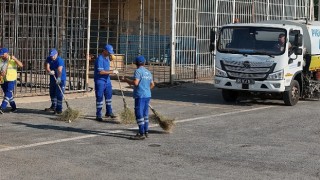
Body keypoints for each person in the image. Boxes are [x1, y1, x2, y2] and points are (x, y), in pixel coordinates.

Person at [123, 55, 155, 140]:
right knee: (145, 114)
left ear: (136, 63)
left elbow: (136, 83)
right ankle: (146, 131)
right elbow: (152, 84)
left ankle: (141, 133)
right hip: (147, 95)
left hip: (140, 96)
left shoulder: (138, 71)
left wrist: (127, 80)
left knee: (139, 113)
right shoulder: (148, 72)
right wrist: (146, 90)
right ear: (144, 63)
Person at [94, 44, 119, 121]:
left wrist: (112, 58)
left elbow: (110, 59)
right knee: (99, 97)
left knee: (109, 96)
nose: (110, 53)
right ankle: (98, 115)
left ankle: (109, 112)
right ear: (104, 51)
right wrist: (112, 71)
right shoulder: (100, 59)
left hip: (107, 80)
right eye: (108, 52)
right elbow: (101, 72)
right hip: (100, 80)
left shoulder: (107, 57)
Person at [0, 48, 23, 114]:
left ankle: (2, 107)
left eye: (2, 55)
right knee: (8, 95)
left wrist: (15, 59)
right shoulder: (0, 60)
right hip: (3, 80)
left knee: (8, 93)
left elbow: (21, 65)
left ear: (6, 53)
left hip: (11, 79)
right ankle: (14, 107)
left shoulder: (12, 59)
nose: (1, 56)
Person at [44, 48, 67, 114]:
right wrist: (49, 71)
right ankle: (54, 106)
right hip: (53, 77)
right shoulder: (49, 58)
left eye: (53, 55)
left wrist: (59, 78)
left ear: (56, 54)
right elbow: (47, 66)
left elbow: (60, 70)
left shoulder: (60, 60)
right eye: (51, 56)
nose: (52, 57)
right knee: (52, 92)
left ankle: (59, 109)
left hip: (60, 78)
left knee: (59, 93)